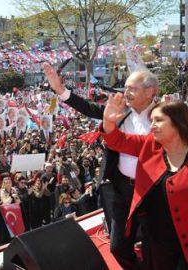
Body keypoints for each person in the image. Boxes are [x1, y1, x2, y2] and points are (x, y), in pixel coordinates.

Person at [43, 63, 158, 270]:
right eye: (126, 88)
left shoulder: (164, 114)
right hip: (123, 188)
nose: (126, 93)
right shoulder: (118, 112)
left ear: (151, 91)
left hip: (154, 190)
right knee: (117, 247)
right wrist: (60, 89)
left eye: (133, 88)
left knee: (156, 246)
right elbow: (88, 107)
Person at [102, 96, 188, 269]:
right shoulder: (149, 144)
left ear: (178, 122)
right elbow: (116, 140)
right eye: (151, 120)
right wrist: (108, 121)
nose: (152, 125)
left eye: (159, 120)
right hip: (155, 238)